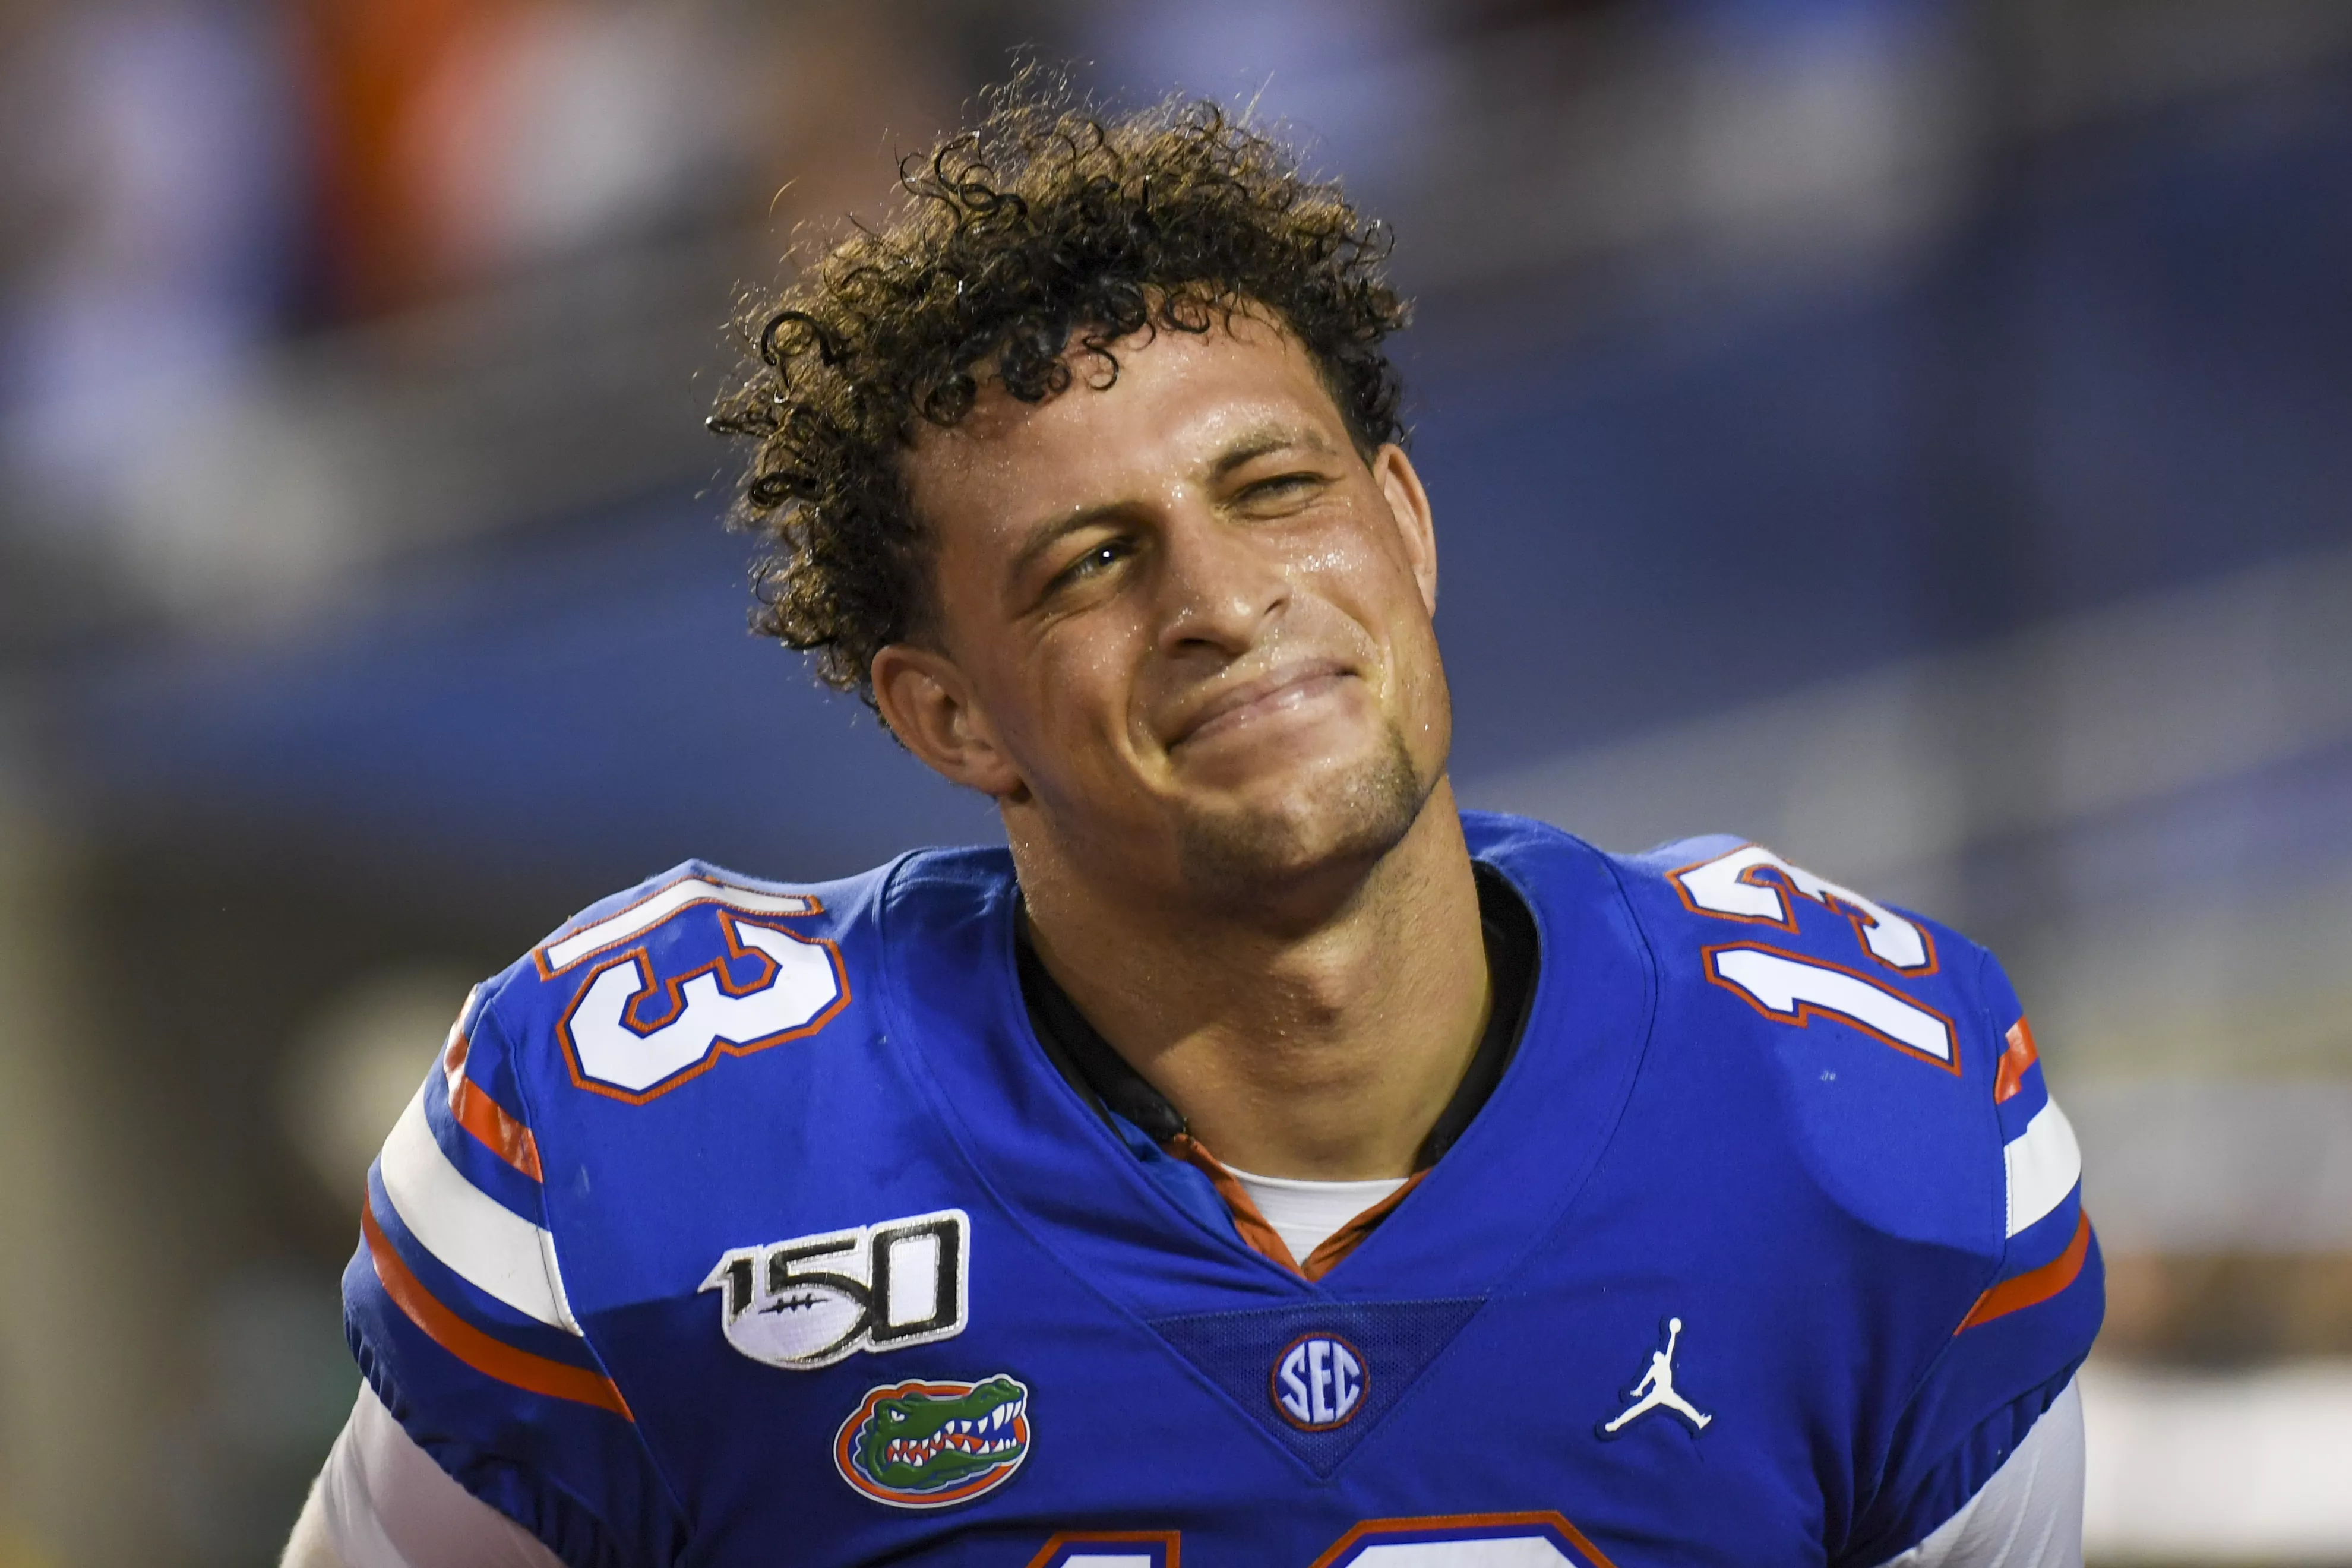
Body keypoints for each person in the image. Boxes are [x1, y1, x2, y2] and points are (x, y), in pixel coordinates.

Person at [282, 74, 2101, 1568]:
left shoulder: (1852, 1119)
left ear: (1406, 524)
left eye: (1275, 488)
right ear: (945, 712)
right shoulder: (673, 1154)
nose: (1223, 602)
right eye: (1093, 562)